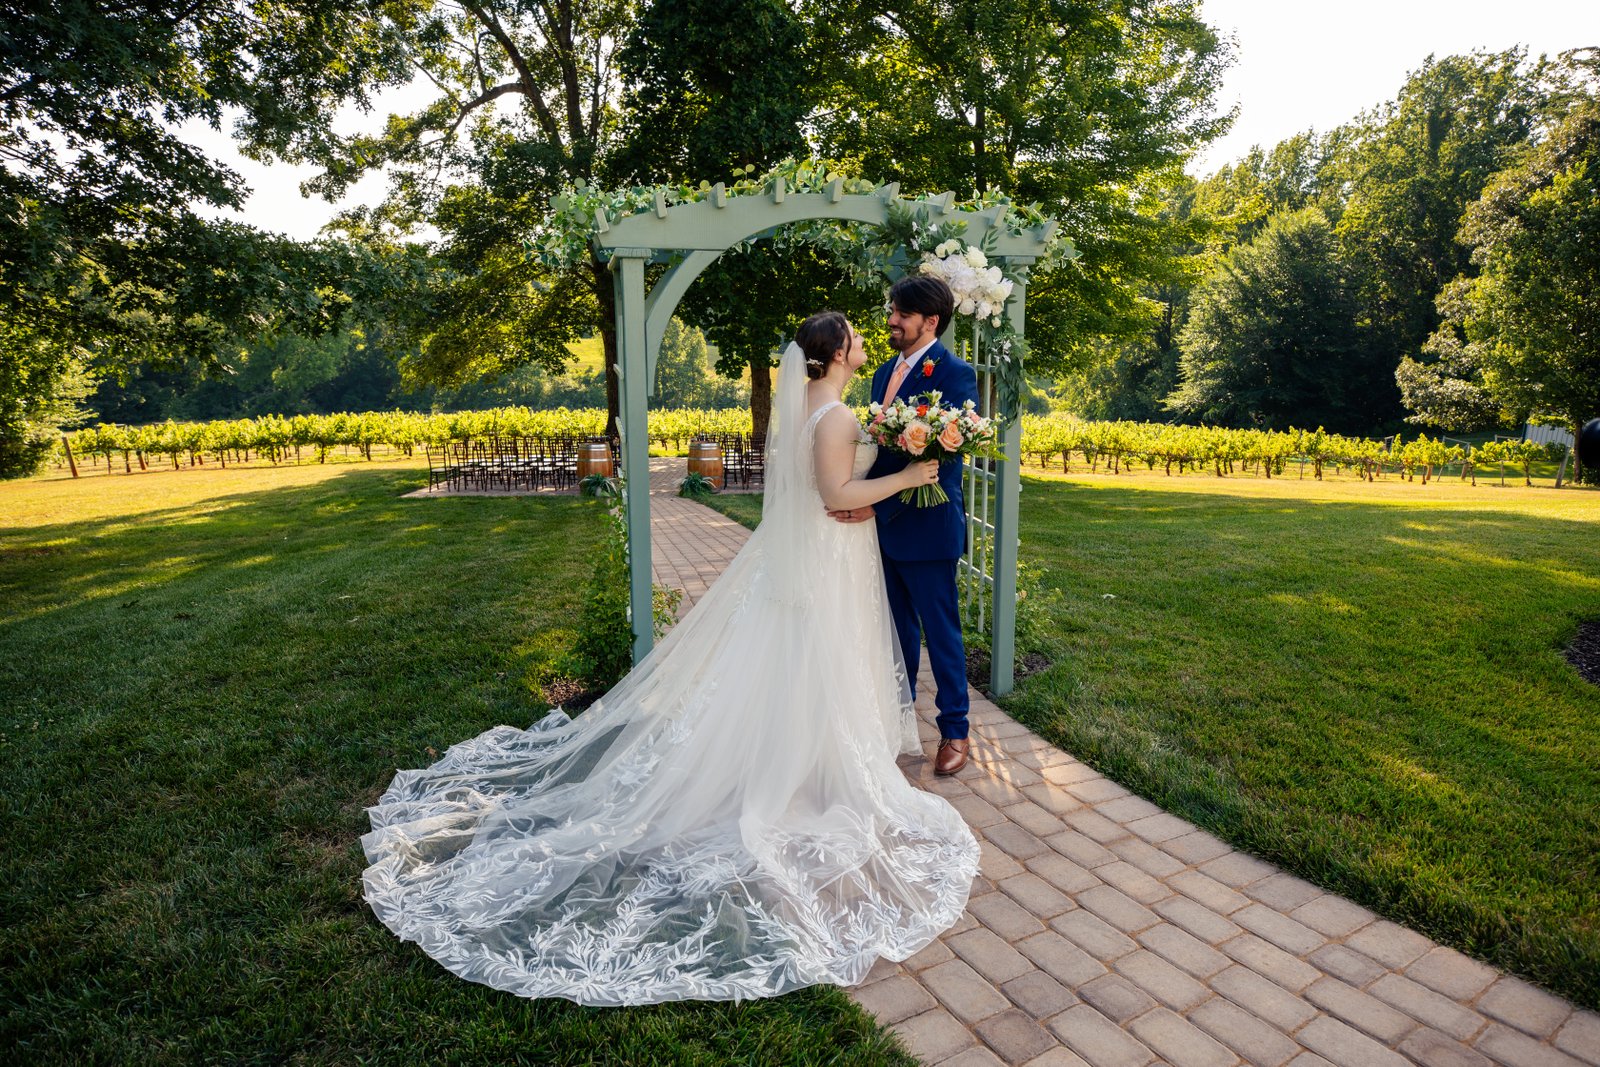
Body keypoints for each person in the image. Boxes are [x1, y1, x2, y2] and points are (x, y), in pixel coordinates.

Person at [360, 311, 981, 1006]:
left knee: (800, 669)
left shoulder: (815, 406)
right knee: (821, 665)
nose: (867, 341)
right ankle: (812, 774)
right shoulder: (835, 417)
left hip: (817, 555)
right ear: (837, 352)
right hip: (828, 561)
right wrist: (910, 476)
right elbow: (837, 494)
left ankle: (805, 761)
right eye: (857, 339)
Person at [841, 276, 978, 776]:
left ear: (930, 321)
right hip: (882, 527)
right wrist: (863, 498)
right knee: (894, 634)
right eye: (893, 310)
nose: (891, 320)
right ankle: (897, 724)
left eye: (901, 313)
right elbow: (882, 454)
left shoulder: (956, 374)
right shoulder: (881, 374)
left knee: (941, 633)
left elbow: (945, 462)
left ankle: (956, 731)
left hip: (927, 526)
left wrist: (875, 505)